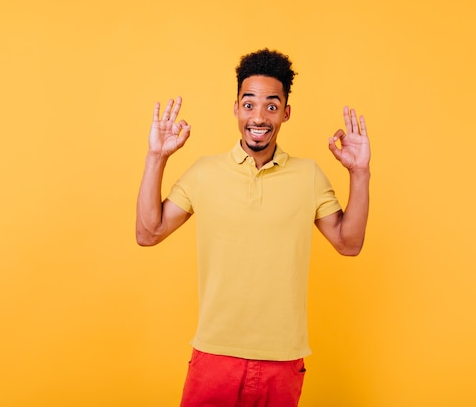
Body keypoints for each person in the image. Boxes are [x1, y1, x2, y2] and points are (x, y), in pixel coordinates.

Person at [136, 48, 370, 407]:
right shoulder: (204, 173)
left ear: (286, 113)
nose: (258, 116)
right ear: (235, 108)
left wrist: (359, 173)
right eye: (249, 104)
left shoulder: (308, 176)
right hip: (214, 353)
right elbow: (148, 233)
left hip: (282, 359)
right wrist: (156, 157)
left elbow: (349, 243)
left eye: (271, 106)